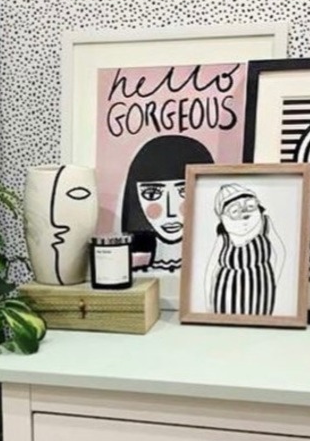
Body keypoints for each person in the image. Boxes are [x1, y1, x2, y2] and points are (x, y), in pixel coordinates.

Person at [120, 135, 213, 273]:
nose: (171, 212)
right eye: (152, 194)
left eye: (184, 191)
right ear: (136, 197)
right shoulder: (133, 274)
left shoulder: (212, 271)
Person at [205, 182, 285, 315]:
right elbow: (211, 270)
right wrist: (209, 302)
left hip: (262, 292)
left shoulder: (265, 225)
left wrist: (273, 280)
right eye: (235, 211)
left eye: (250, 206)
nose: (244, 213)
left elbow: (280, 253)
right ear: (223, 217)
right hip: (228, 293)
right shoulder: (224, 238)